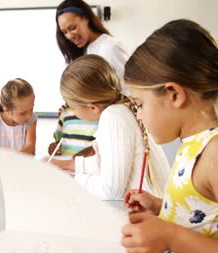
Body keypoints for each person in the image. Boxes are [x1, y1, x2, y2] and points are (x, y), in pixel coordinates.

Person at [122, 19, 218, 253]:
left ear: (174, 94)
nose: (138, 115)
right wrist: (160, 207)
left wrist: (171, 237)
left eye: (139, 104)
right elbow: (209, 214)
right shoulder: (192, 145)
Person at [51, 54, 169, 200]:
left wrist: (72, 180)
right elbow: (108, 163)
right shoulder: (120, 110)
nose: (72, 111)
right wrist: (66, 165)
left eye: (72, 106)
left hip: (144, 212)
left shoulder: (113, 118)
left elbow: (110, 190)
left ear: (93, 107)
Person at [48, 0, 129, 160]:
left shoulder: (109, 48)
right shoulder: (87, 49)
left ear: (86, 18)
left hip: (115, 129)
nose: (70, 36)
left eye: (72, 27)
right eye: (65, 32)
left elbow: (127, 92)